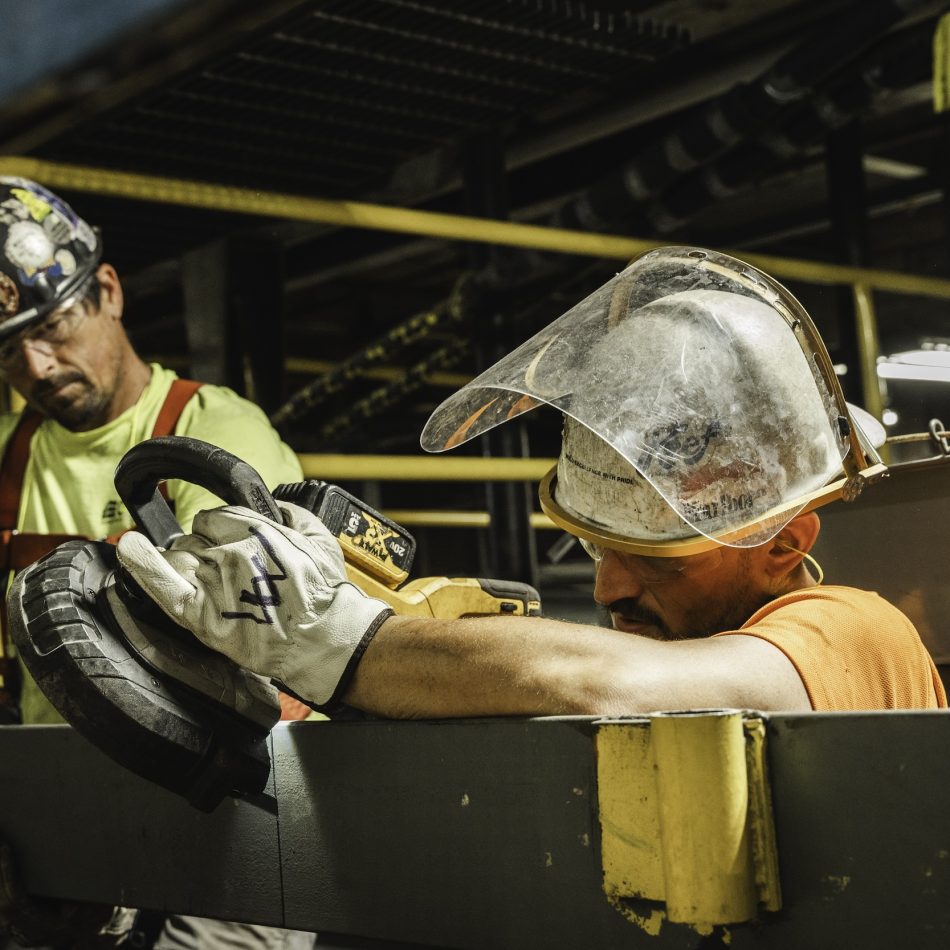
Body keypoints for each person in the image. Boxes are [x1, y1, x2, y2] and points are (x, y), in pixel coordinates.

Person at [115, 246, 947, 720]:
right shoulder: (673, 640)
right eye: (593, 544)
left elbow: (603, 686)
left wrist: (340, 636)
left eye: (658, 559)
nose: (610, 585)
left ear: (785, 542)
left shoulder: (853, 630)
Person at [0, 177, 314, 948]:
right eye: (8, 350)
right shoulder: (10, 461)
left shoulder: (207, 431)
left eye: (56, 325)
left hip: (234, 808)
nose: (38, 366)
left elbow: (279, 638)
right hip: (65, 814)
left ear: (107, 291)